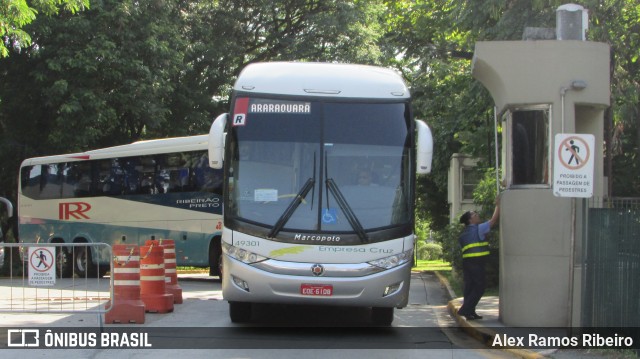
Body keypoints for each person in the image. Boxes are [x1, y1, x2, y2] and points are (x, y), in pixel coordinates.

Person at [457, 195, 500, 320]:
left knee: (470, 287)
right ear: (470, 220)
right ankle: (465, 310)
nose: (477, 215)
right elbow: (493, 220)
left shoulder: (464, 233)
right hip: (477, 262)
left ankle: (470, 312)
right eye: (474, 215)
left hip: (467, 262)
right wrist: (498, 205)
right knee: (480, 287)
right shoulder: (478, 229)